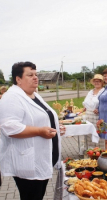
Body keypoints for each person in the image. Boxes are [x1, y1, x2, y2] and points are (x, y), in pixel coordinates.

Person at [0, 62, 62, 200]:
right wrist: (40, 131)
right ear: (18, 79)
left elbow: (40, 117)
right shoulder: (11, 97)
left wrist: (55, 127)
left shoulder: (34, 95)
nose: (35, 78)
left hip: (41, 158)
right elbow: (9, 127)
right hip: (28, 162)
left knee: (37, 196)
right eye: (30, 75)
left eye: (36, 74)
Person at [82, 74, 105, 149]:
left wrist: (99, 108)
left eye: (98, 81)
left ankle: (99, 150)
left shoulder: (104, 91)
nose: (96, 83)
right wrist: (85, 107)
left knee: (97, 133)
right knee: (89, 133)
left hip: (97, 116)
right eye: (95, 81)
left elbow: (105, 103)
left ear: (102, 82)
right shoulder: (91, 91)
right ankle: (90, 150)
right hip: (88, 116)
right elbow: (86, 102)